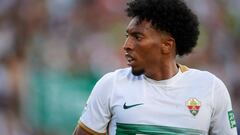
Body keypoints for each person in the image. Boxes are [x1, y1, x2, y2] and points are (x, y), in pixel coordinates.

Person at [73, 0, 238, 134]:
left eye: (137, 37)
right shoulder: (111, 85)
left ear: (167, 45)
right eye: (127, 36)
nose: (126, 46)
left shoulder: (210, 88)